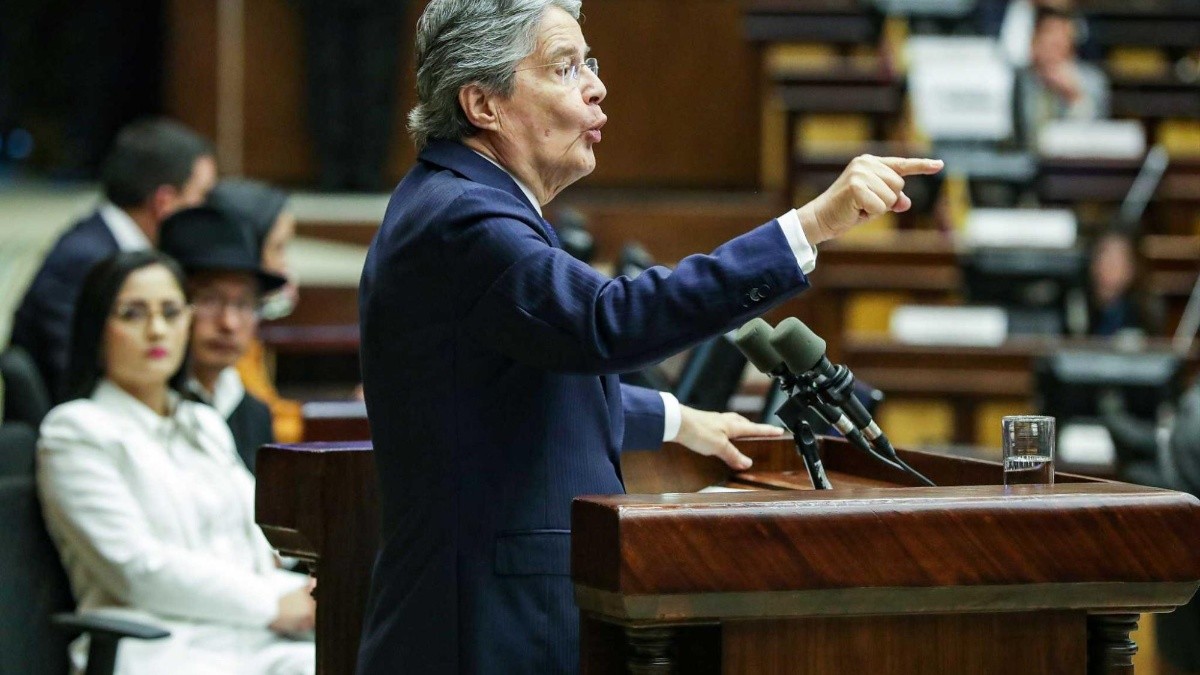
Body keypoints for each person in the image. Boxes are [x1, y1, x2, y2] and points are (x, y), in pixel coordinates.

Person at [355, 1, 944, 673]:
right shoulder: (467, 218)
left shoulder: (455, 202)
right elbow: (606, 323)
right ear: (482, 103)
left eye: (590, 63)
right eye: (564, 66)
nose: (597, 85)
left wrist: (675, 419)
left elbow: (497, 385)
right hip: (486, 629)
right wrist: (807, 226)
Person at [37, 250, 314, 675]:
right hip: (159, 645)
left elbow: (258, 545)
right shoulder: (75, 430)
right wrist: (272, 602)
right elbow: (137, 569)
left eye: (170, 312)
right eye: (133, 314)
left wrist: (321, 592)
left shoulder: (202, 421)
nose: (156, 330)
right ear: (98, 329)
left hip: (253, 635)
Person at [12, 117, 216, 402]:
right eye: (201, 196)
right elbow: (77, 374)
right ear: (165, 202)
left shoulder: (115, 245)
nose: (206, 212)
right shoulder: (85, 258)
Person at [158, 206, 287, 473]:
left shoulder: (253, 412)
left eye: (244, 305)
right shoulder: (152, 406)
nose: (228, 324)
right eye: (209, 300)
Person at [207, 178, 306, 444]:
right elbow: (267, 432)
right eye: (277, 248)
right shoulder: (221, 333)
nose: (284, 265)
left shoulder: (250, 329)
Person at [1016, 5, 1110, 147]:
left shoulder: (1093, 80)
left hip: (1076, 162)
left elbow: (1097, 136)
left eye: (1059, 39)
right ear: (1034, 41)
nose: (1052, 43)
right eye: (1047, 35)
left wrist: (1074, 96)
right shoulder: (1021, 80)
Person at [1086, 231, 1163, 338]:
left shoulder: (1142, 312)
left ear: (1133, 267)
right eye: (1105, 255)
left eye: (1118, 258)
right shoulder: (1075, 304)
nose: (1110, 265)